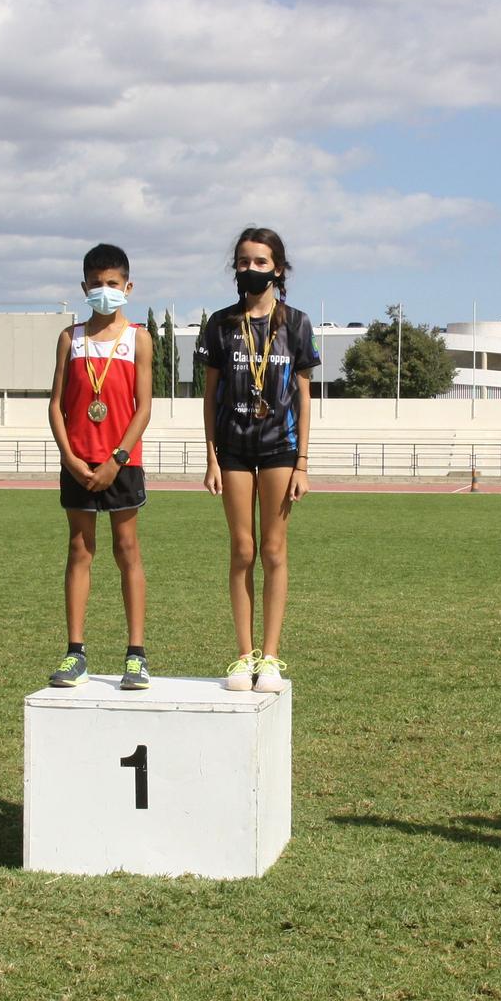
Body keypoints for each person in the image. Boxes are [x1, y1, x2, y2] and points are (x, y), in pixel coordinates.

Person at [197, 227, 317, 692]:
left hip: (280, 448)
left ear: (278, 269)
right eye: (244, 262)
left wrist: (303, 462)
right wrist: (210, 455)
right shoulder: (221, 324)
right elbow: (209, 396)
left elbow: (304, 398)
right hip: (232, 448)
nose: (251, 269)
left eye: (260, 262)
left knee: (273, 550)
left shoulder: (297, 324)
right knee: (242, 550)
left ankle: (270, 657)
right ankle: (243, 656)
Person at [47, 243, 154, 690]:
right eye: (96, 284)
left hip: (121, 463)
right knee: (79, 550)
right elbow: (55, 406)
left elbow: (143, 408)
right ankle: (75, 653)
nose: (104, 291)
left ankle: (136, 655)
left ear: (127, 287)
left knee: (126, 550)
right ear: (84, 287)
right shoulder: (70, 339)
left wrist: (118, 459)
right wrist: (70, 458)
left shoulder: (138, 338)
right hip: (79, 462)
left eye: (113, 284)